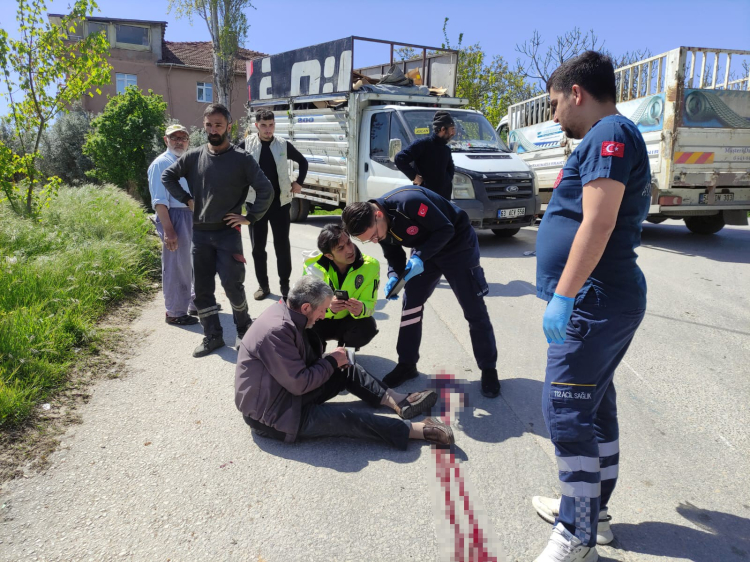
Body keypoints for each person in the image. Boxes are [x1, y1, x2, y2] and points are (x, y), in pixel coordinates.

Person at [531, 51, 651, 562]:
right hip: (599, 298)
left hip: (593, 300)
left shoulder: (608, 134)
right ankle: (591, 513)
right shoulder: (609, 135)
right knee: (593, 408)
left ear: (576, 93)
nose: (554, 115)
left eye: (555, 103)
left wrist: (563, 297)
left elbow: (598, 222)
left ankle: (576, 533)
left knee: (564, 409)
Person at [235, 275, 453, 448]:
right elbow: (299, 383)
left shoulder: (288, 312)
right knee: (348, 418)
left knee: (345, 367)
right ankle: (417, 430)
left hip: (285, 392)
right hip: (273, 414)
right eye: (323, 310)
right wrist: (331, 361)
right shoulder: (277, 330)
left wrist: (334, 361)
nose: (324, 316)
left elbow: (301, 369)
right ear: (306, 307)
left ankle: (398, 401)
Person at [341, 187, 501, 398]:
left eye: (374, 236)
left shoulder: (409, 202)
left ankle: (488, 368)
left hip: (458, 245)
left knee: (473, 308)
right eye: (369, 240)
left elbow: (446, 229)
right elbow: (393, 253)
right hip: (425, 251)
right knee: (411, 305)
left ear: (378, 214)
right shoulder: (378, 225)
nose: (375, 241)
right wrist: (394, 276)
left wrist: (418, 258)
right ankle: (407, 364)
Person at [162, 103, 274, 358]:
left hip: (227, 234)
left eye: (218, 125)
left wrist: (250, 217)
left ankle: (244, 330)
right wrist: (186, 199)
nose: (213, 130)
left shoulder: (242, 159)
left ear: (228, 127)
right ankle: (213, 336)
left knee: (233, 285)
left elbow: (266, 189)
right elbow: (168, 176)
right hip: (200, 235)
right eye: (209, 125)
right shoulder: (193, 156)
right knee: (202, 290)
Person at [240, 109, 309, 301]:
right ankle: (263, 286)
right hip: (255, 204)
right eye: (263, 125)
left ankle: (285, 286)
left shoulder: (283, 144)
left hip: (280, 203)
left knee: (282, 245)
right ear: (256, 126)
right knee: (257, 248)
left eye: (271, 125)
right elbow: (231, 163)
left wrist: (299, 182)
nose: (268, 129)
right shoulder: (246, 144)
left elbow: (303, 162)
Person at [147, 123, 198, 326]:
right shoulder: (161, 163)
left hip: (189, 215)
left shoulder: (186, 161)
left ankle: (193, 302)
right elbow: (159, 201)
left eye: (183, 138)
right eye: (174, 137)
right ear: (166, 140)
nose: (179, 141)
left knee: (190, 263)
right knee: (176, 265)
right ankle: (175, 312)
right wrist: (169, 230)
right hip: (174, 216)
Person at [302, 223, 379, 349]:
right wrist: (327, 308)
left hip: (347, 321)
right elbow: (306, 306)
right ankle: (316, 351)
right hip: (319, 320)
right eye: (340, 248)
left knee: (367, 326)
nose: (349, 250)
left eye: (349, 242)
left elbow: (370, 303)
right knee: (300, 324)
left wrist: (361, 308)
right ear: (329, 256)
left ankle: (346, 351)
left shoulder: (370, 266)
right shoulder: (313, 267)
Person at [394, 110, 456, 200]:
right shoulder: (423, 144)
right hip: (425, 199)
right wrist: (414, 176)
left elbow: (451, 168)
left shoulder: (446, 149)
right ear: (443, 129)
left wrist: (446, 180)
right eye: (452, 129)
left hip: (443, 201)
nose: (453, 133)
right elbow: (400, 158)